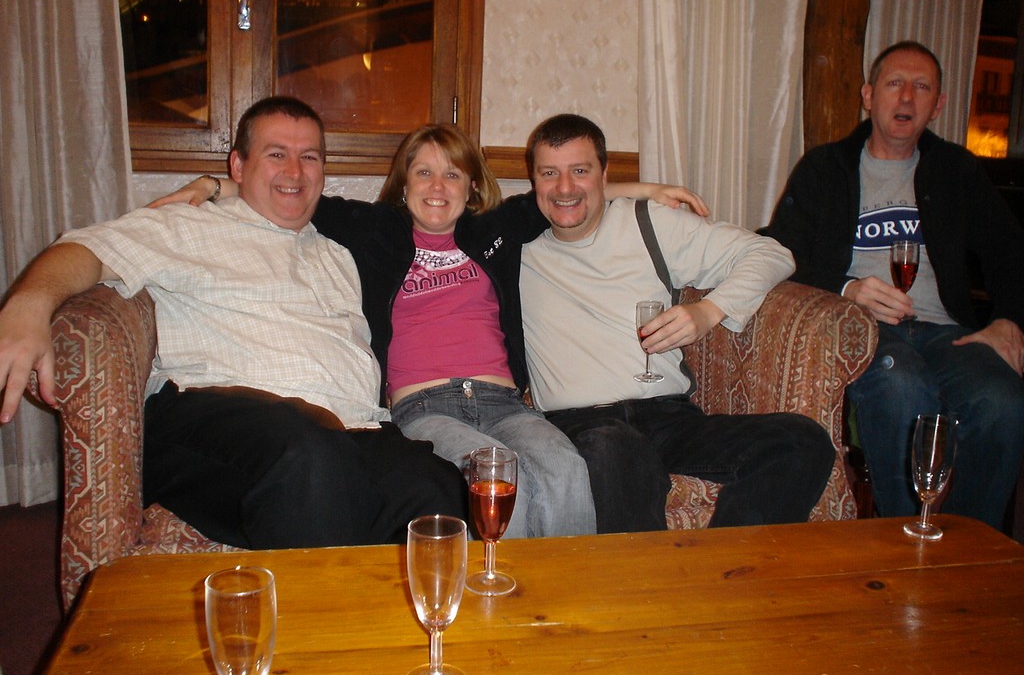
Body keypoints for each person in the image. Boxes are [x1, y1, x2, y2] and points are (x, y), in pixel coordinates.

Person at [157, 124, 706, 538]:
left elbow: (563, 196)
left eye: (452, 174)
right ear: (404, 185)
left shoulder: (491, 231)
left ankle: (563, 605)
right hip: (425, 408)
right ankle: (497, 607)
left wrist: (645, 189)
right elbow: (291, 192)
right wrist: (213, 185)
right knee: (497, 475)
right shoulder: (376, 232)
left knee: (564, 467)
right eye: (423, 173)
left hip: (504, 402)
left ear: (472, 186)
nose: (437, 186)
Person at [0, 96, 468, 549]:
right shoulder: (190, 226)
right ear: (238, 166)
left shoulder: (337, 250)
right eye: (276, 154)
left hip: (350, 429)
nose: (295, 171)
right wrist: (30, 304)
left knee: (435, 486)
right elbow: (85, 248)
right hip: (218, 420)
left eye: (309, 157)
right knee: (313, 459)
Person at [518, 113, 836, 530]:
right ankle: (647, 574)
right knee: (614, 449)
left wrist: (710, 310)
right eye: (549, 173)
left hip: (669, 418)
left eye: (580, 170)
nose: (564, 187)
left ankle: (727, 563)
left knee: (801, 440)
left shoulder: (648, 223)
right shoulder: (515, 246)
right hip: (581, 427)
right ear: (533, 181)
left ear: (604, 175)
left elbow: (772, 254)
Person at [761, 41, 1024, 530]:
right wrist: (846, 288)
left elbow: (1010, 251)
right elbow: (779, 253)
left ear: (938, 105)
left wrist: (1009, 318)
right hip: (865, 331)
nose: (906, 97)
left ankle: (970, 545)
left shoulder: (956, 170)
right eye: (894, 84)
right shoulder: (825, 168)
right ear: (868, 95)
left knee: (1003, 400)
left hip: (945, 333)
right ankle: (907, 540)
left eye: (921, 87)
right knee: (903, 385)